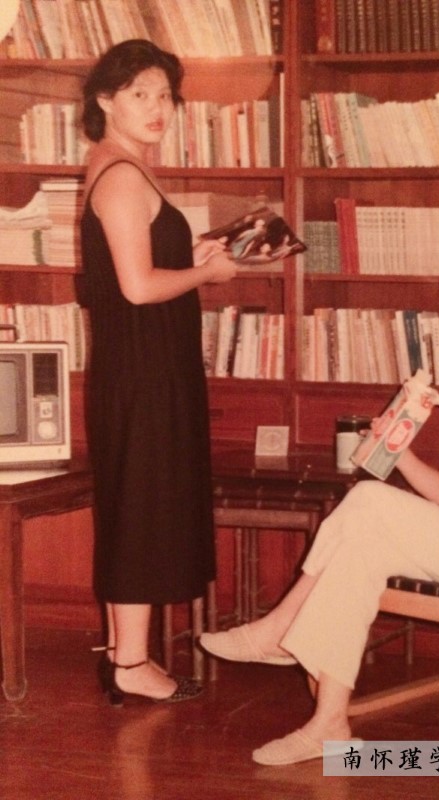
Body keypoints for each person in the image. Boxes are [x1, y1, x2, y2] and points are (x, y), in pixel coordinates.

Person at [199, 276, 439, 764]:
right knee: (360, 550)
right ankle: (329, 724)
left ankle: (279, 628)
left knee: (368, 498)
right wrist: (395, 446)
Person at [79, 39, 236, 705]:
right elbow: (139, 287)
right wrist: (209, 274)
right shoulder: (119, 175)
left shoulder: (120, 166)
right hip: (142, 372)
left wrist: (194, 256)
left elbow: (137, 269)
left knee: (135, 508)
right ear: (105, 100)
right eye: (139, 93)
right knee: (139, 511)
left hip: (143, 366)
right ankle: (131, 665)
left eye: (165, 95)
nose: (157, 107)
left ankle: (126, 657)